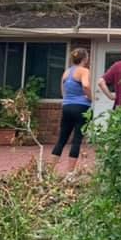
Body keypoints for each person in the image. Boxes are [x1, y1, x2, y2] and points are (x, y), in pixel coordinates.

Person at [49, 47, 92, 177]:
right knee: (77, 140)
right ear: (85, 58)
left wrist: (67, 99)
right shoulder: (84, 71)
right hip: (81, 107)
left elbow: (62, 90)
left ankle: (50, 171)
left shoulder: (66, 72)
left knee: (62, 139)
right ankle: (69, 173)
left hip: (67, 106)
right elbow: (85, 85)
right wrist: (90, 97)